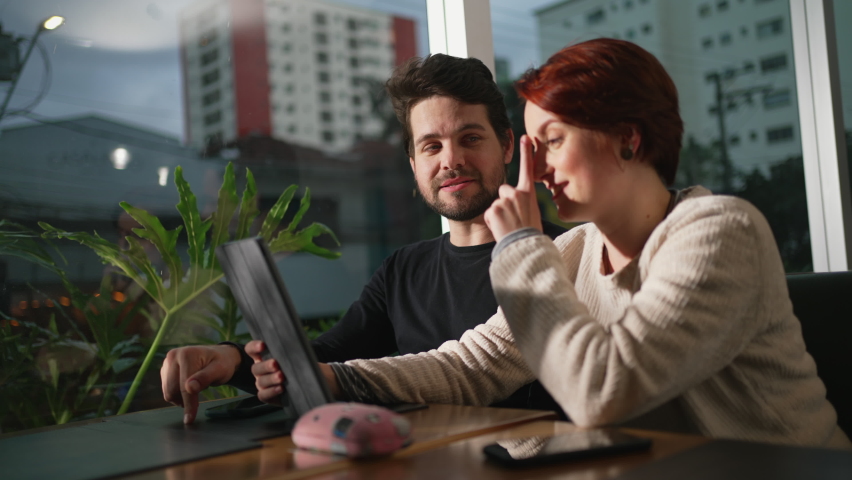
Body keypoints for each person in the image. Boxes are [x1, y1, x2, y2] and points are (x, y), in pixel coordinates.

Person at [308, 39, 852, 448]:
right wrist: (334, 376)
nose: (534, 167)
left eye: (552, 142)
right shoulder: (577, 251)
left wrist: (520, 243)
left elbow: (602, 391)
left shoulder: (719, 231)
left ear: (627, 140)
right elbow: (472, 365)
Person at [160, 53, 565, 424]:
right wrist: (229, 359)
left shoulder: (563, 256)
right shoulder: (403, 270)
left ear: (508, 145)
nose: (451, 160)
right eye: (431, 146)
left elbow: (469, 371)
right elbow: (323, 359)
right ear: (413, 164)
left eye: (470, 139)